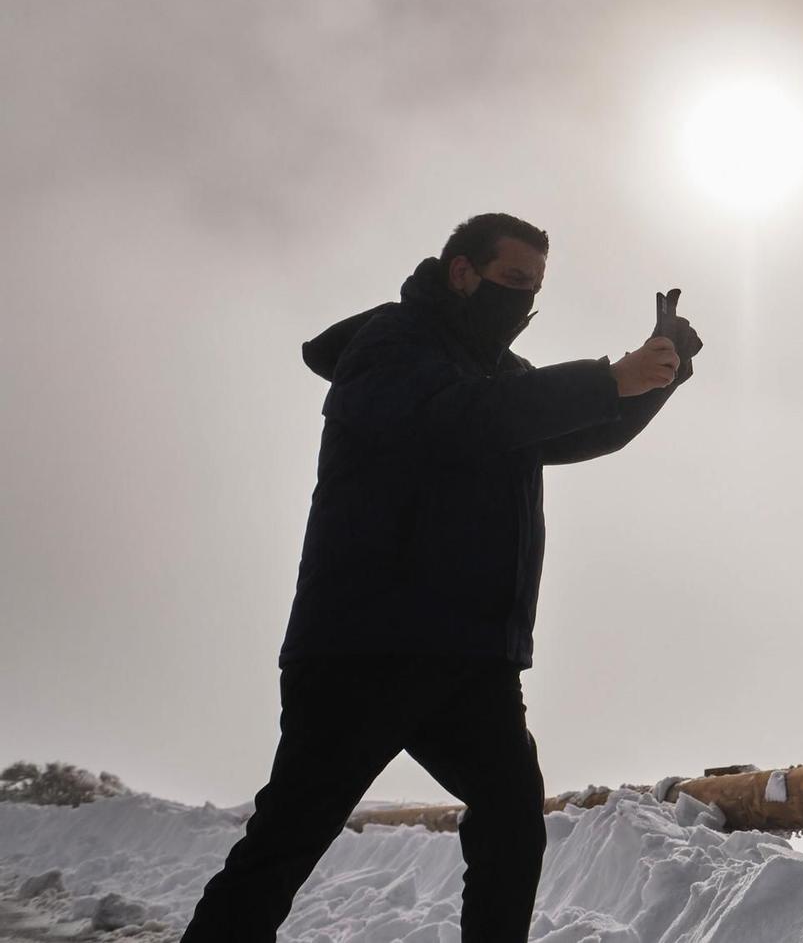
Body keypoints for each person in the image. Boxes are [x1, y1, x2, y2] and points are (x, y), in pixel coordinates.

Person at [182, 213, 702, 943]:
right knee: (285, 844)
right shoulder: (391, 344)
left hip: (471, 657)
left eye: (536, 288)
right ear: (463, 270)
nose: (524, 299)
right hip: (366, 646)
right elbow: (455, 419)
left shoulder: (504, 377)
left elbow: (587, 427)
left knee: (514, 827)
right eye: (515, 279)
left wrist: (659, 367)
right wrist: (604, 377)